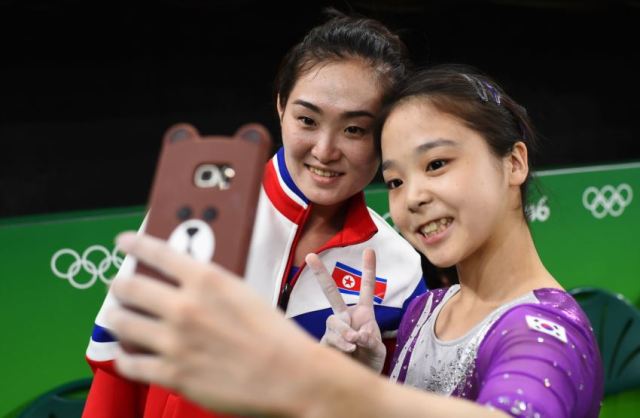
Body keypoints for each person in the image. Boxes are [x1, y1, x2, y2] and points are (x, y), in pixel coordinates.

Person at [104, 65, 603, 417]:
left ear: (514, 163)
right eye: (395, 181)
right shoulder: (425, 311)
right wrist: (365, 375)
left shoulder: (543, 332)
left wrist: (326, 389)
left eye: (436, 164)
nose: (414, 198)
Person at [82, 11, 427, 418]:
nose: (325, 149)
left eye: (355, 129)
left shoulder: (399, 269)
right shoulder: (197, 210)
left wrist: (357, 386)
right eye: (307, 120)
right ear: (281, 106)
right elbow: (118, 374)